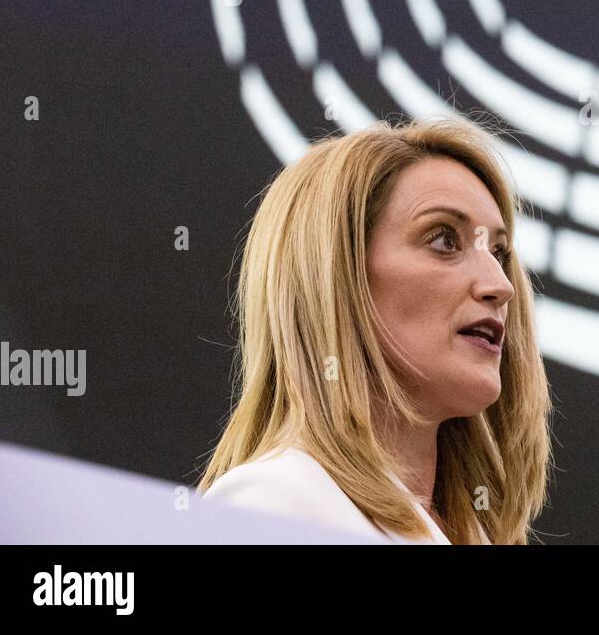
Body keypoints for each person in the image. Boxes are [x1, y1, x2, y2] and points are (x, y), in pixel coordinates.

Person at [198, 116, 554, 544]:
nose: (501, 285)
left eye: (498, 252)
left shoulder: (476, 534)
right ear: (337, 276)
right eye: (444, 240)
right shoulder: (269, 507)